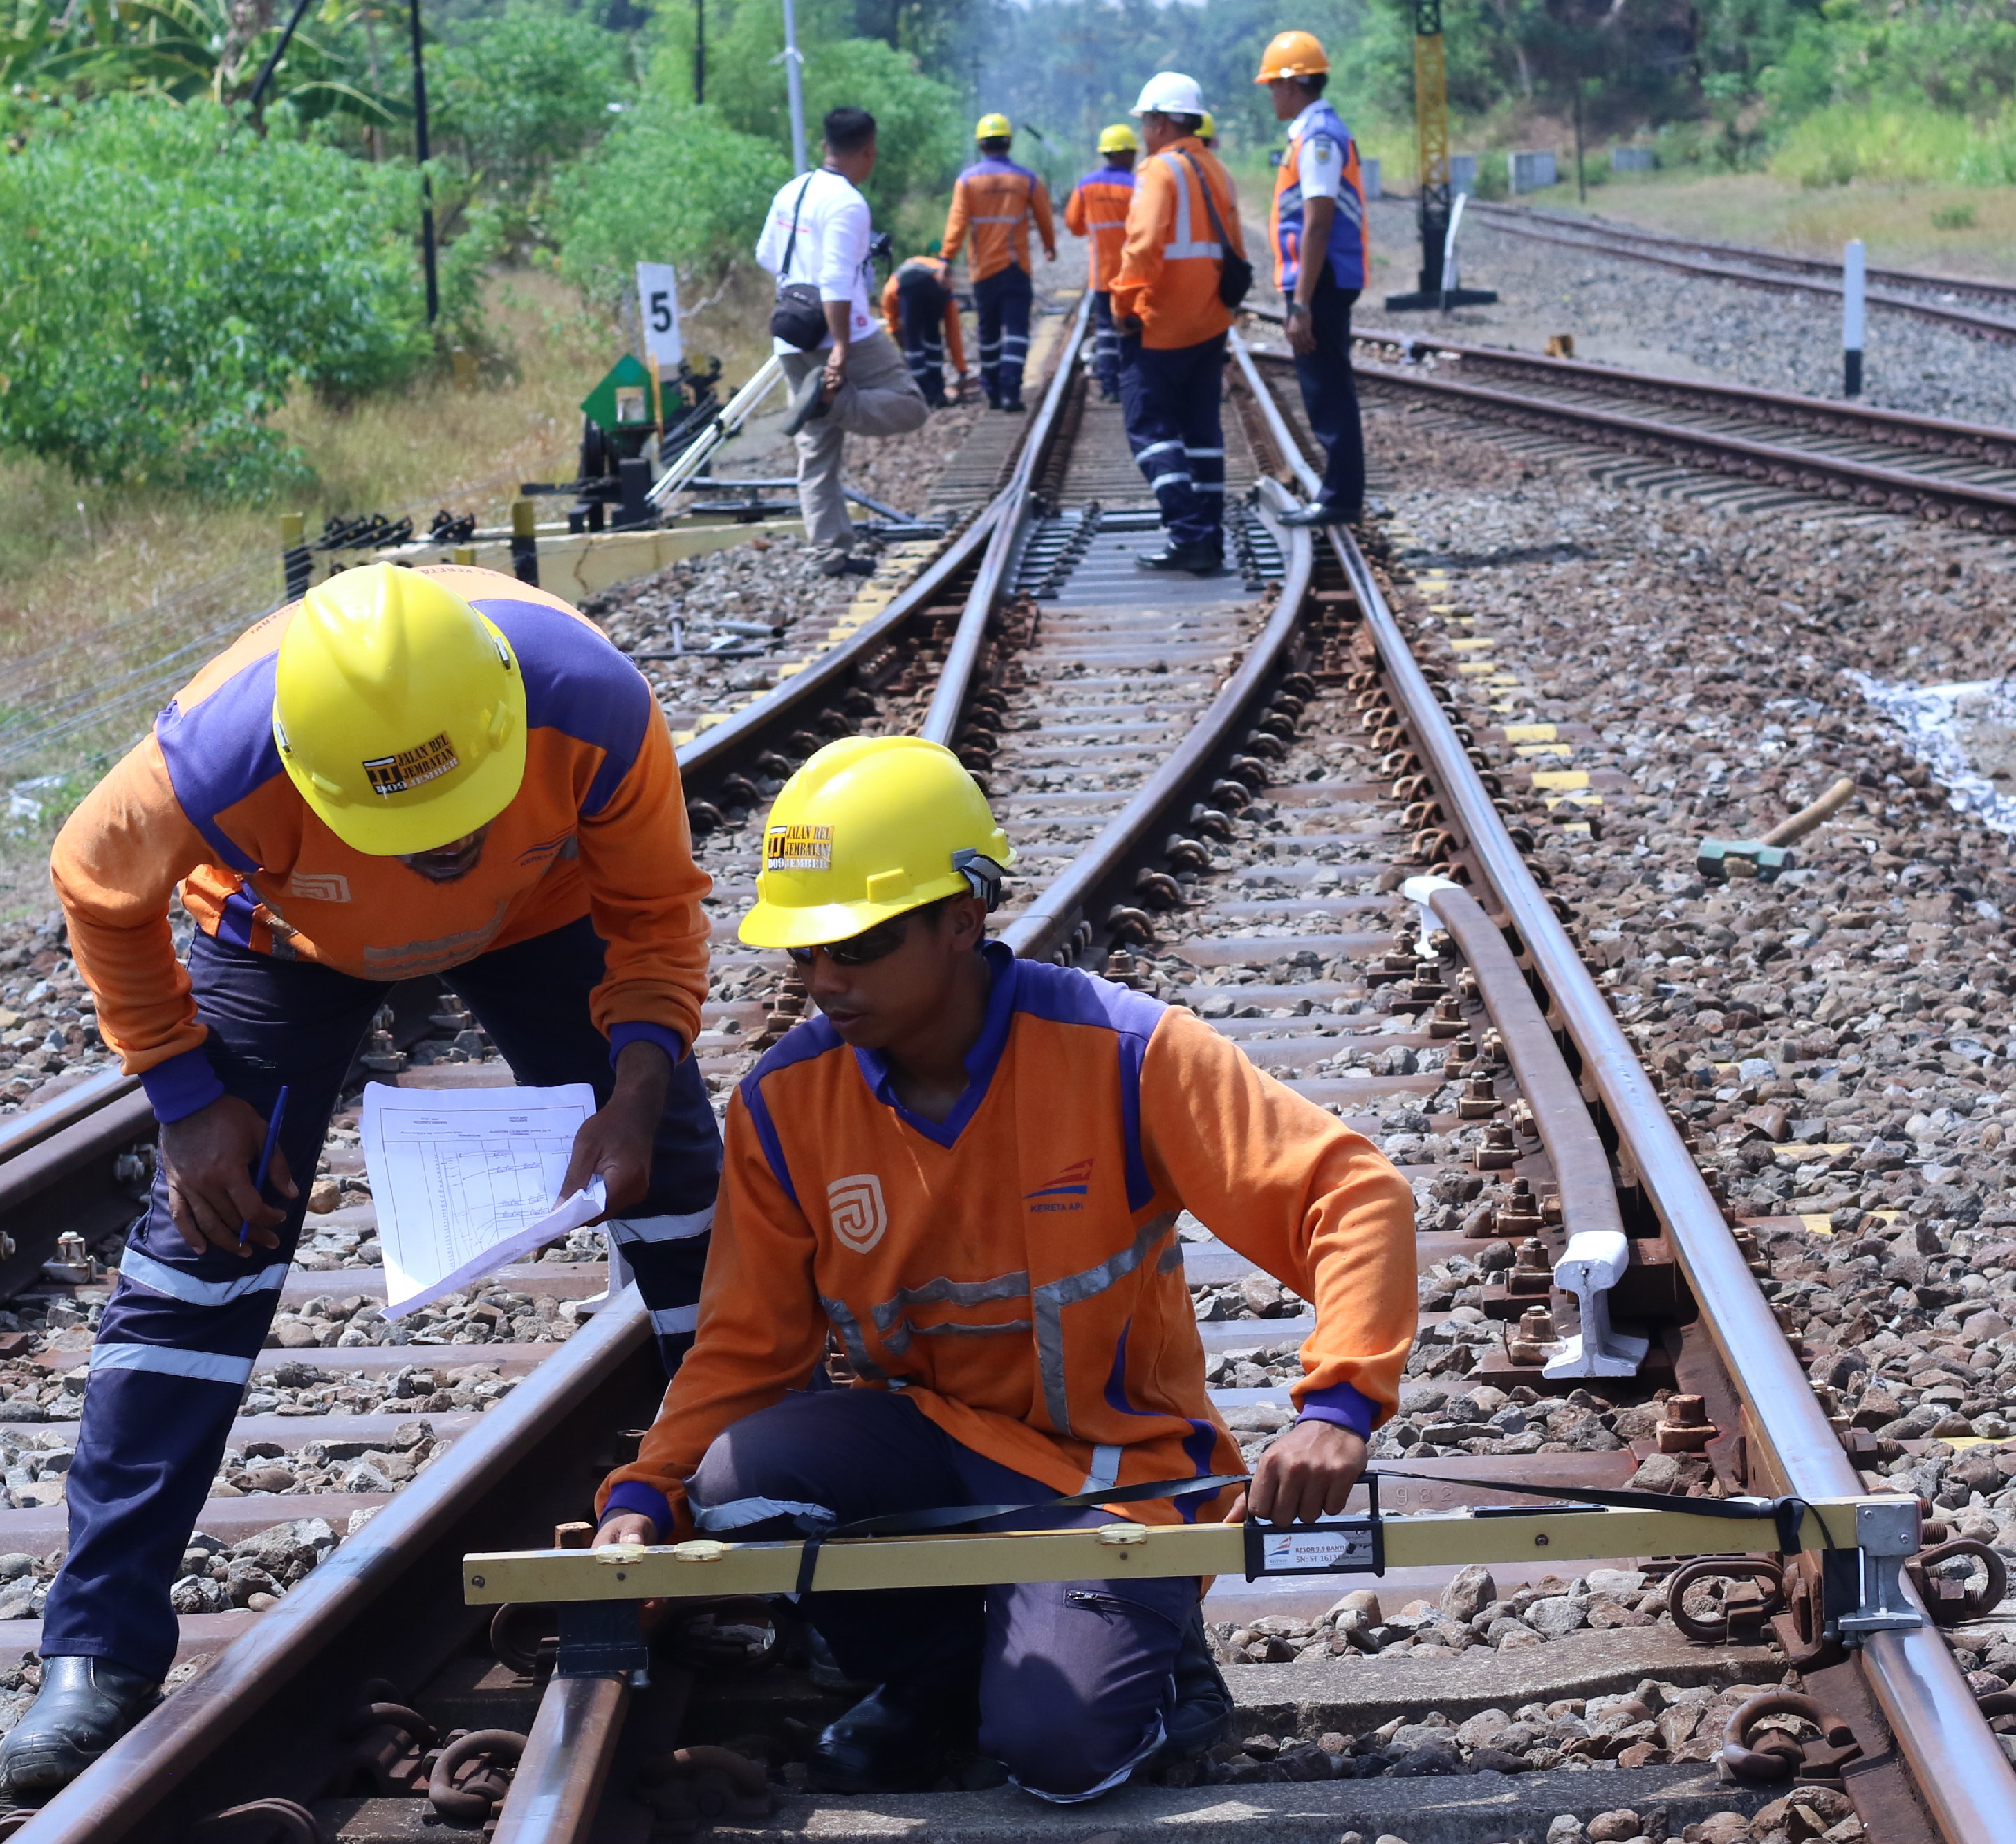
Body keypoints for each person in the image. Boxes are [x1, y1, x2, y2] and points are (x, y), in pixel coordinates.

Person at [1, 560, 724, 1793]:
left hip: (545, 912)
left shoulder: (589, 702)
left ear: (501, 729)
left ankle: (759, 1510)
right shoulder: (218, 755)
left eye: (459, 814)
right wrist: (183, 1096)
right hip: (286, 931)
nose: (439, 849)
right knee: (203, 1247)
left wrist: (639, 1089)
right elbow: (95, 882)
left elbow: (655, 912)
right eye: (407, 826)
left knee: (685, 1193)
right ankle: (97, 1645)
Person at [591, 736, 1416, 1801]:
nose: (825, 982)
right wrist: (650, 1492)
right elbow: (747, 1344)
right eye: (803, 954)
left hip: (1119, 1484)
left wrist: (1337, 1404)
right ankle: (935, 1674)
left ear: (962, 919)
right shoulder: (787, 1105)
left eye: (859, 944)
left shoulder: (1124, 1054)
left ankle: (1162, 1665)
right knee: (742, 1479)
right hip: (931, 1449)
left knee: (1058, 1754)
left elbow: (1347, 1193)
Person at [758, 107, 931, 581]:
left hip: (790, 331)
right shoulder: (848, 203)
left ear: (824, 146)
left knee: (816, 453)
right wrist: (839, 350)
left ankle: (828, 554)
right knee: (910, 404)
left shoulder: (791, 191)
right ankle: (830, 402)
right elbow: (835, 278)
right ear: (869, 150)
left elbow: (765, 255)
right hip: (843, 329)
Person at [1107, 73, 1243, 576]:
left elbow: (1142, 246)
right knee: (1202, 431)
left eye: (1145, 121)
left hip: (1160, 325)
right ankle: (1208, 538)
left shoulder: (1160, 171)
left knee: (1150, 429)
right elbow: (1235, 251)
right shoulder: (1218, 170)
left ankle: (1188, 534)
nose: (1144, 130)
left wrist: (1123, 304)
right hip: (1209, 322)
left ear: (1162, 122)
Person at [1259, 30, 1369, 528]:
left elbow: (1318, 220)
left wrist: (1300, 302)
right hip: (1318, 279)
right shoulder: (1312, 132)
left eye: (1273, 86)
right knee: (1324, 385)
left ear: (1294, 84)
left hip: (1320, 281)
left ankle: (1341, 496)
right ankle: (1339, 491)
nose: (1270, 95)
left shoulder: (1318, 137)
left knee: (1326, 388)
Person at [941, 112, 1058, 412]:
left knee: (988, 333)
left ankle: (992, 390)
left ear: (981, 144)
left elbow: (957, 224)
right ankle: (1011, 391)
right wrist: (1049, 245)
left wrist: (946, 259)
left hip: (983, 270)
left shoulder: (967, 181)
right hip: (1017, 267)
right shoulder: (1027, 179)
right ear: (1009, 143)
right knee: (1017, 331)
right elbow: (1044, 215)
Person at [1064, 125, 1139, 403]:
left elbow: (1074, 225)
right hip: (1133, 274)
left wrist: (1094, 231)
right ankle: (1132, 383)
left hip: (1101, 274)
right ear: (1126, 154)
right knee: (1132, 328)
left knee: (1106, 330)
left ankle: (1110, 386)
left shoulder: (1086, 184)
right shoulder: (1138, 185)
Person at [879, 247, 971, 408]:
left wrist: (897, 334)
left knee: (912, 342)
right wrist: (961, 369)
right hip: (934, 287)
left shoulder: (893, 286)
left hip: (908, 290)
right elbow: (953, 332)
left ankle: (923, 394)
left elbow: (890, 312)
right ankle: (937, 392)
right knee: (933, 337)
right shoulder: (946, 285)